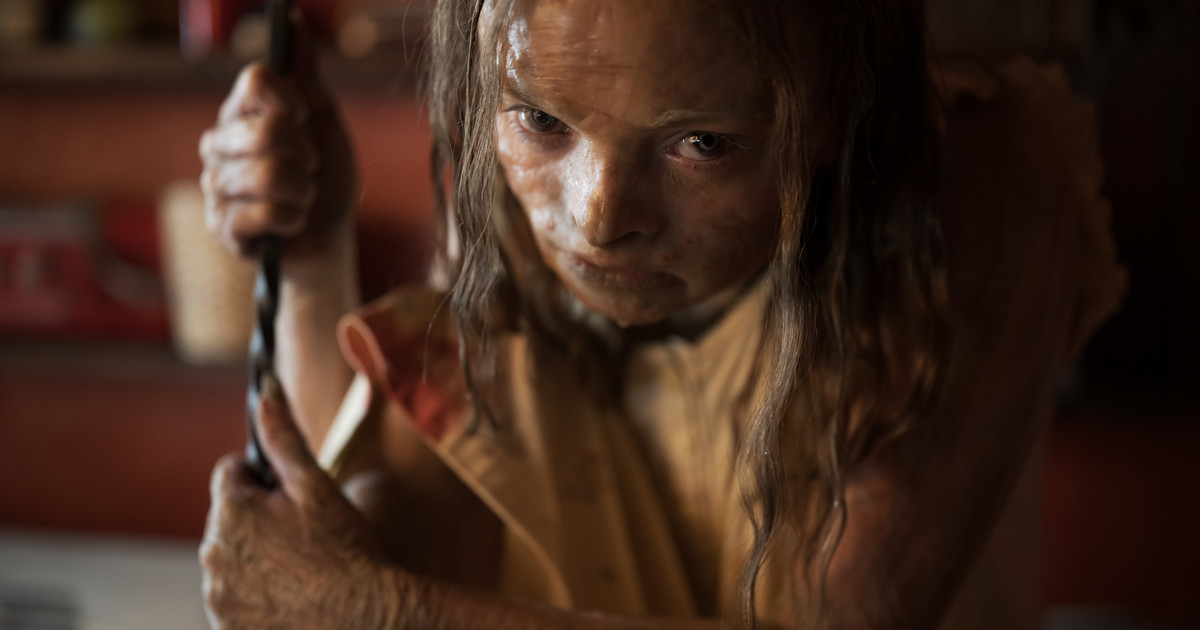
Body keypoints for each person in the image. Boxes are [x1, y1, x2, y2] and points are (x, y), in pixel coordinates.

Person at [197, 0, 1125, 628]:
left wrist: (388, 615)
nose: (599, 218)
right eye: (542, 122)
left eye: (704, 143)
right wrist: (310, 256)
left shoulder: (984, 187)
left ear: (840, 100)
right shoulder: (513, 193)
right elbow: (382, 513)